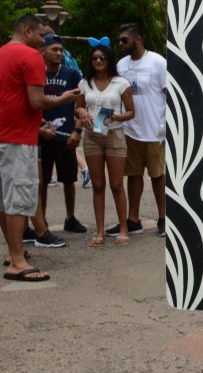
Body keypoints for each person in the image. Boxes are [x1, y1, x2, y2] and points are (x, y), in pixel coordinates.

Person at [0, 15, 82, 281]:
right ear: (27, 31)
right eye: (41, 35)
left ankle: (14, 252)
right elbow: (36, 101)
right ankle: (16, 263)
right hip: (17, 137)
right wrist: (63, 97)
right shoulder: (30, 56)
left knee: (3, 197)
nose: (43, 40)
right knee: (20, 196)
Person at [76, 41, 135, 247]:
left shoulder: (121, 83)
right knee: (98, 185)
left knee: (117, 185)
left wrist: (117, 117)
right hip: (92, 137)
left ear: (109, 60)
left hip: (114, 136)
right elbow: (79, 107)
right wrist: (81, 112)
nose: (98, 61)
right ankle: (100, 231)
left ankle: (123, 228)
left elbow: (131, 111)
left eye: (102, 57)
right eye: (94, 58)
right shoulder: (85, 83)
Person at [111, 23, 167, 237]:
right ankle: (133, 219)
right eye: (120, 40)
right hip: (129, 129)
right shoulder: (121, 65)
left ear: (138, 39)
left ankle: (163, 218)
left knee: (157, 175)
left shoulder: (157, 62)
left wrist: (168, 125)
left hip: (154, 129)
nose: (121, 43)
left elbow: (168, 92)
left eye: (124, 39)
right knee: (133, 175)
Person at [37, 33, 86, 235]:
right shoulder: (36, 73)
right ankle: (42, 220)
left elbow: (81, 104)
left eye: (60, 50)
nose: (58, 53)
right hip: (42, 136)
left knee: (68, 179)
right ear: (43, 51)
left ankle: (70, 217)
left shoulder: (71, 74)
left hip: (66, 136)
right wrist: (40, 128)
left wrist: (77, 130)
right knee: (42, 181)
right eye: (54, 49)